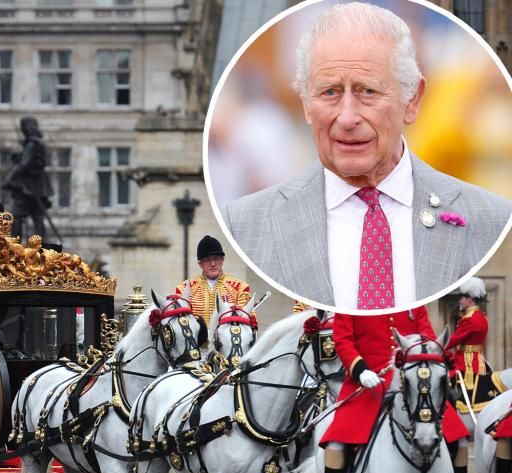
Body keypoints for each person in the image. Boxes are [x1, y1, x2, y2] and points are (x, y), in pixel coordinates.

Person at [222, 2, 512, 309]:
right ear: (306, 104)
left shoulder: (492, 220)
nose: (347, 118)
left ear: (412, 100)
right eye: (329, 92)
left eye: (369, 91)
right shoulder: (241, 225)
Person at [313, 307, 485, 473]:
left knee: (459, 438)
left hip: (412, 383)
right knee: (337, 442)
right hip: (367, 382)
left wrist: (433, 358)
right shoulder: (351, 302)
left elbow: (427, 338)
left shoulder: (413, 302)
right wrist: (360, 370)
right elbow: (343, 341)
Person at [174, 235, 252, 332]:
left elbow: (248, 324)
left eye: (216, 258)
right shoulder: (184, 288)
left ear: (222, 260)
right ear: (200, 264)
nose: (212, 264)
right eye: (207, 260)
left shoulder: (240, 287)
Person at [446, 277, 494, 414]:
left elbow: (453, 341)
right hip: (478, 360)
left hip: (466, 363)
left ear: (470, 298)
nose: (460, 300)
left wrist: (437, 347)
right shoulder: (482, 317)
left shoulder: (469, 320)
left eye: (462, 297)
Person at [2, 116, 53, 241]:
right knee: (37, 216)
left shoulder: (33, 144)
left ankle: (16, 243)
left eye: (24, 127)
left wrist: (9, 178)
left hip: (29, 187)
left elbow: (23, 165)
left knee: (16, 215)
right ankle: (43, 244)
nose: (23, 130)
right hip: (35, 186)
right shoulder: (36, 143)